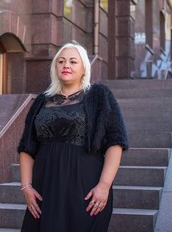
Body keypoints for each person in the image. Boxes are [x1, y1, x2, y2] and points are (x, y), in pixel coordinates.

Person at [17, 41, 128, 232]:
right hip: (45, 187)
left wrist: (104, 185)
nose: (66, 65)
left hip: (85, 188)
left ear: (84, 68)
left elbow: (115, 142)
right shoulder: (41, 101)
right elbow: (27, 147)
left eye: (73, 61)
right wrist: (26, 187)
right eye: (61, 61)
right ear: (55, 67)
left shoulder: (99, 95)